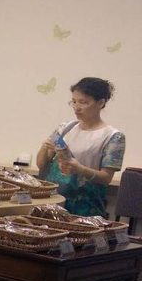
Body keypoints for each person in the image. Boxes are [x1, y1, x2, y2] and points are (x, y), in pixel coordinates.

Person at [36, 77, 125, 216]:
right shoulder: (66, 128)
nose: (77, 107)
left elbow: (106, 178)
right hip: (53, 203)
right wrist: (45, 147)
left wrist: (80, 169)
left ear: (101, 103)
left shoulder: (113, 136)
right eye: (74, 101)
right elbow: (41, 164)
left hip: (84, 208)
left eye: (83, 102)